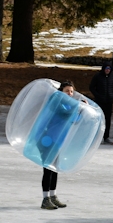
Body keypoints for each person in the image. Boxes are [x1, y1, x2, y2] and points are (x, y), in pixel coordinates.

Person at [40, 81, 86, 210]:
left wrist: (81, 111)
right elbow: (65, 114)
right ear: (61, 92)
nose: (70, 94)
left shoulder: (68, 106)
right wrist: (79, 106)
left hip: (58, 141)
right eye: (67, 91)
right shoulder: (57, 104)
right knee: (48, 169)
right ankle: (45, 199)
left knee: (55, 169)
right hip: (48, 139)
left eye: (71, 91)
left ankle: (53, 196)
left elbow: (74, 120)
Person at [89, 61, 113, 144]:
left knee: (107, 120)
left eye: (109, 68)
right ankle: (95, 137)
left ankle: (106, 137)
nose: (107, 70)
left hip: (108, 102)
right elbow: (91, 87)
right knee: (98, 119)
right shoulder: (98, 76)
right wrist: (97, 95)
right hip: (99, 101)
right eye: (106, 68)